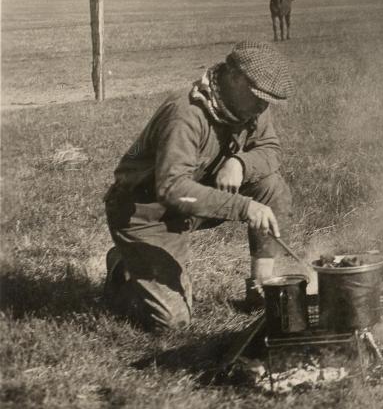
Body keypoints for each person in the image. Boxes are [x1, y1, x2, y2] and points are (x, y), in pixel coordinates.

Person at [103, 41, 293, 331]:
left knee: (271, 185)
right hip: (145, 214)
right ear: (233, 77)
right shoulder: (186, 114)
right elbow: (172, 188)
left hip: (193, 201)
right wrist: (243, 206)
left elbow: (270, 148)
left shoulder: (251, 106)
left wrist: (240, 163)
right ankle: (124, 268)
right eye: (258, 96)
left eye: (267, 100)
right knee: (173, 321)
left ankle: (261, 287)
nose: (262, 106)